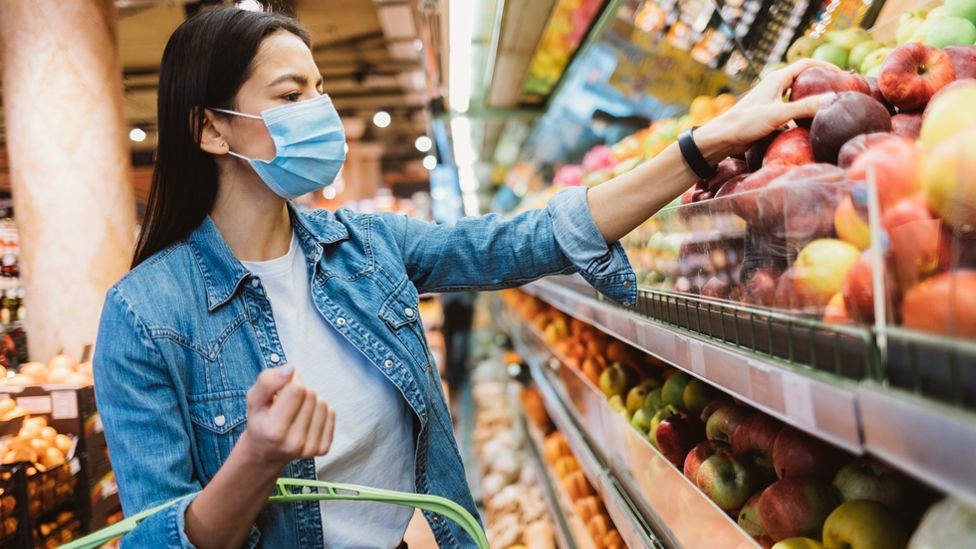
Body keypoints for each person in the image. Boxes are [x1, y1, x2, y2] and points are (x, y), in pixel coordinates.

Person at [92, 7, 834, 549]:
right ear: (210, 129)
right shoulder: (146, 315)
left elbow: (529, 237)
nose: (320, 111)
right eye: (290, 96)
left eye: (319, 89)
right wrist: (255, 458)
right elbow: (156, 538)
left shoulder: (367, 248)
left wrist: (704, 145)